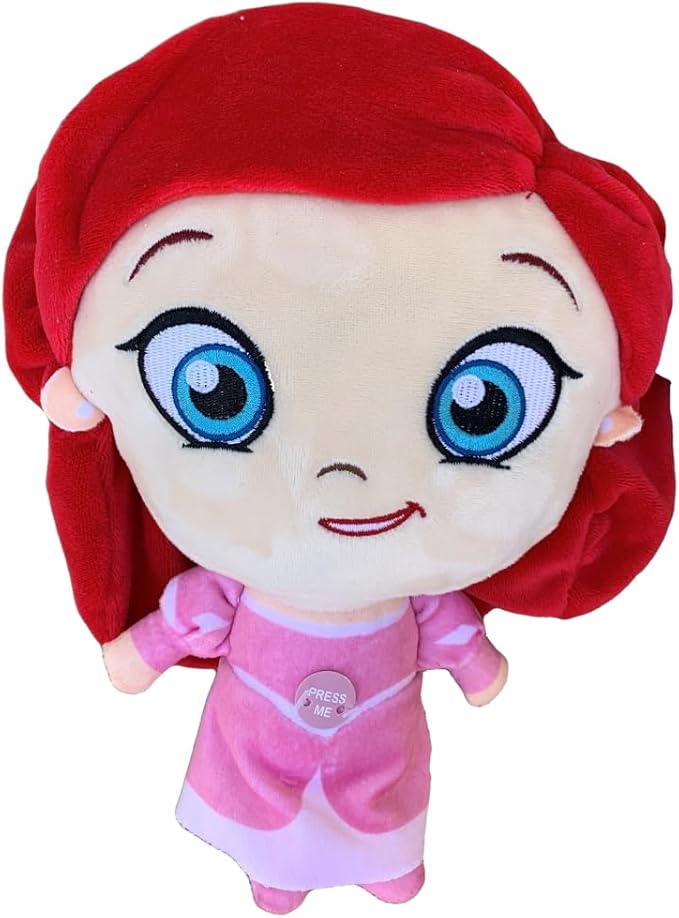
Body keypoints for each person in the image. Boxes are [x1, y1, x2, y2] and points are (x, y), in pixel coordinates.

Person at [3, 4, 673, 914]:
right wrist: (142, 651)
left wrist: (477, 666)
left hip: (377, 764)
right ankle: (273, 866)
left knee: (384, 794)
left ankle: (380, 852)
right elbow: (184, 622)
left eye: (484, 405)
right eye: (214, 390)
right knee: (265, 799)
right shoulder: (241, 592)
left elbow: (451, 635)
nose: (348, 479)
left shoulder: (409, 598)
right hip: (257, 758)